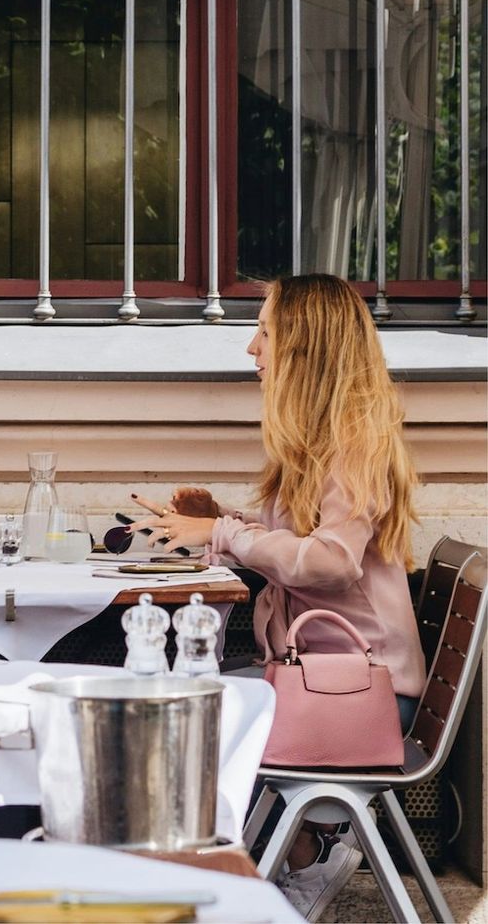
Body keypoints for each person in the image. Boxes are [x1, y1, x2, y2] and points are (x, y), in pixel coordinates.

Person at [129, 274, 425, 922]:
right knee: (181, 708)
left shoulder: (355, 445)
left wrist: (227, 534)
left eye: (264, 329)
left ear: (304, 345)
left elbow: (329, 561)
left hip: (361, 699)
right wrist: (222, 519)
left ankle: (293, 857)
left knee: (185, 718)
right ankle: (297, 853)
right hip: (324, 682)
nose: (251, 348)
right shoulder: (322, 445)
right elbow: (301, 545)